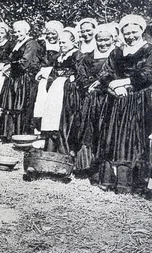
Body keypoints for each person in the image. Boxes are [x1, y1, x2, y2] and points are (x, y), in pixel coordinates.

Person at [91, 14, 152, 193]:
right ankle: (110, 181)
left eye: (134, 32)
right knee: (111, 138)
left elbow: (148, 74)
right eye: (127, 33)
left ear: (142, 31)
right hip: (116, 100)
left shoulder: (149, 50)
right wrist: (113, 85)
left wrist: (124, 82)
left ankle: (131, 184)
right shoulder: (117, 51)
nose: (130, 36)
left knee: (133, 140)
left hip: (139, 101)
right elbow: (104, 72)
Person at [74, 23, 117, 175]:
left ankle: (106, 171)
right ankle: (88, 167)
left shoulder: (118, 56)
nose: (103, 43)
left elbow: (117, 75)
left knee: (107, 132)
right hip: (91, 100)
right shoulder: (88, 57)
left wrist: (103, 85)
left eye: (106, 39)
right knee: (89, 131)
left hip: (110, 100)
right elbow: (81, 77)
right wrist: (89, 86)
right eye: (99, 40)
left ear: (113, 38)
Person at [39, 27, 84, 155]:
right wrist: (50, 84)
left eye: (64, 42)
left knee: (63, 121)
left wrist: (71, 80)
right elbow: (53, 72)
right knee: (52, 119)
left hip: (67, 93)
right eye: (60, 42)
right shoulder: (59, 56)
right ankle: (51, 149)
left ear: (73, 42)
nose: (61, 45)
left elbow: (80, 75)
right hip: (55, 92)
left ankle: (64, 151)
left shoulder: (77, 55)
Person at [0, 20, 43, 140]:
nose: (17, 34)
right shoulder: (17, 44)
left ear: (26, 31)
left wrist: (10, 66)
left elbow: (25, 62)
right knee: (11, 104)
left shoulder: (31, 43)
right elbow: (11, 59)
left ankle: (21, 133)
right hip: (14, 77)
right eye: (15, 32)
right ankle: (10, 133)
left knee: (21, 105)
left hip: (25, 78)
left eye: (19, 31)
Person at [33, 21, 64, 121]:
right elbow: (35, 60)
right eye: (48, 34)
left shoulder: (62, 45)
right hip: (41, 75)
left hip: (54, 76)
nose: (50, 36)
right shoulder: (41, 44)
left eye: (53, 34)